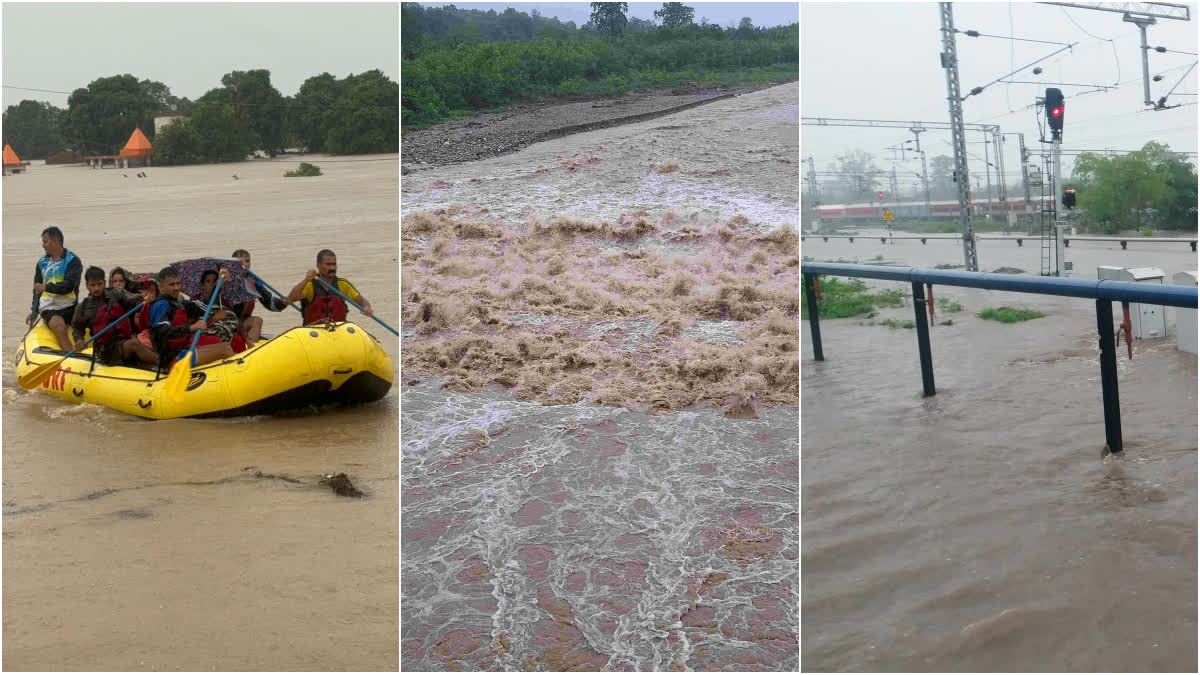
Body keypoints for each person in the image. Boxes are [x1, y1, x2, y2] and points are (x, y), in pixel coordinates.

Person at [149, 266, 234, 371]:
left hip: (183, 350)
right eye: (171, 284)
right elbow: (162, 331)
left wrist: (218, 286)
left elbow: (204, 307)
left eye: (178, 283)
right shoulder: (161, 305)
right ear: (161, 287)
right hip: (173, 358)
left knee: (224, 345)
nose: (176, 288)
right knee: (224, 350)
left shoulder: (180, 303)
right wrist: (191, 328)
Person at [70, 266, 158, 366]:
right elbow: (77, 328)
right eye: (92, 285)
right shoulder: (83, 307)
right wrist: (79, 340)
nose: (96, 288)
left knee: (144, 343)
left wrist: (145, 300)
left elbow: (136, 299)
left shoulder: (115, 293)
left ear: (104, 282)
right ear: (86, 285)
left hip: (124, 339)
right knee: (134, 344)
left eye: (99, 284)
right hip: (105, 349)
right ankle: (165, 365)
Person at [26, 226, 83, 352]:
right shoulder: (41, 262)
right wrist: (34, 311)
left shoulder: (73, 261)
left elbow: (69, 286)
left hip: (71, 306)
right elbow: (37, 289)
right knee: (57, 325)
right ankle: (72, 357)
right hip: (49, 307)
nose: (43, 245)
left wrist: (45, 287)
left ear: (56, 241)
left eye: (45, 242)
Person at [285, 249, 374, 325]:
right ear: (318, 266)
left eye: (334, 264)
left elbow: (362, 301)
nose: (332, 268)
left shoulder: (343, 284)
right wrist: (305, 280)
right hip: (313, 332)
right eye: (328, 264)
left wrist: (367, 307)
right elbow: (290, 299)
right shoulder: (310, 284)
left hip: (338, 330)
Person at [230, 249, 289, 346]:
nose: (245, 264)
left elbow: (271, 304)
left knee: (256, 321)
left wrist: (284, 302)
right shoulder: (226, 280)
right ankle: (248, 352)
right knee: (257, 320)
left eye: (247, 261)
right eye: (240, 262)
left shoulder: (253, 281)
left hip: (244, 323)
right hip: (229, 323)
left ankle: (249, 347)